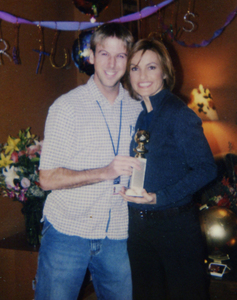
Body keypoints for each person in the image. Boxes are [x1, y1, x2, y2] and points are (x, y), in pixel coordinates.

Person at [34, 23, 142, 300]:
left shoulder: (138, 107)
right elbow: (46, 179)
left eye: (121, 56)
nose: (111, 63)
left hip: (116, 231)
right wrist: (104, 173)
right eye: (104, 53)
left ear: (129, 60)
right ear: (91, 56)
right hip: (68, 230)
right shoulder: (66, 107)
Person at [120, 39, 217, 300]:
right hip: (140, 230)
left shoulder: (178, 113)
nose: (142, 76)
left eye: (151, 67)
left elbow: (206, 168)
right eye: (135, 68)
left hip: (174, 229)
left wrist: (159, 197)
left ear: (165, 71)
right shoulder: (142, 114)